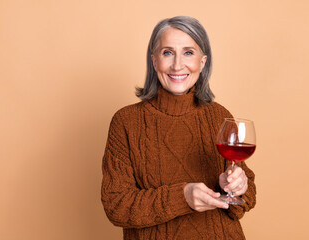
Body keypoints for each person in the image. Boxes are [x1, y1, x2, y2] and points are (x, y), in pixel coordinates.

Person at [101, 16, 256, 239]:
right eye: (167, 52)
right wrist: (182, 197)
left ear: (202, 62)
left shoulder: (220, 116)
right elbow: (116, 206)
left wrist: (236, 186)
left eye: (188, 52)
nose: (177, 64)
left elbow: (245, 202)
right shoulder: (126, 122)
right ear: (154, 62)